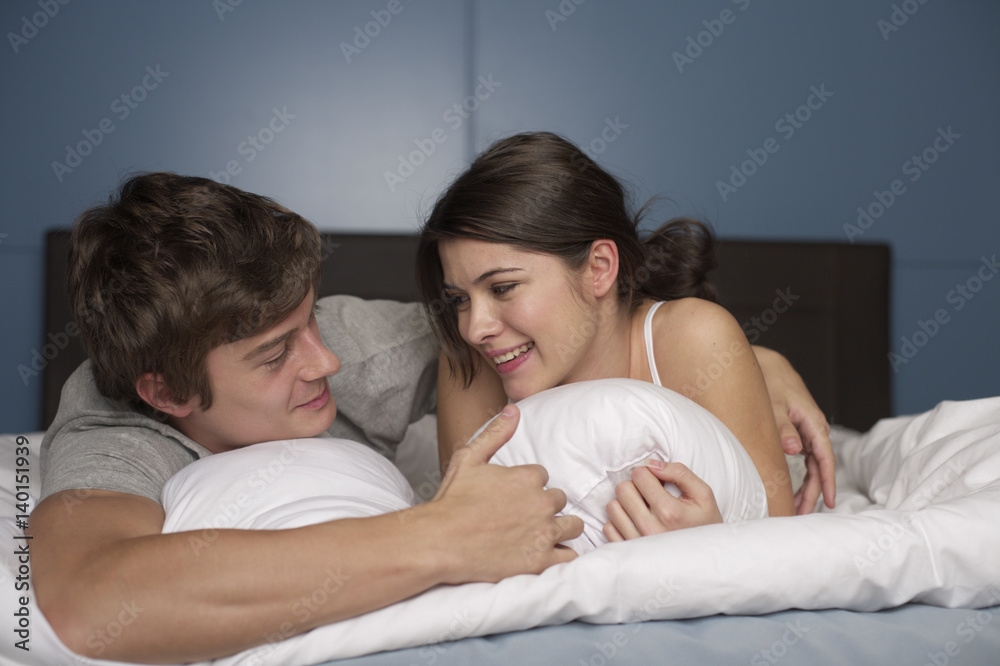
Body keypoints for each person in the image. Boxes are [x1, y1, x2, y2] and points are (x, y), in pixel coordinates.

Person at [28, 172, 583, 663]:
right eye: (274, 355)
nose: (327, 361)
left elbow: (573, 329)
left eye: (310, 317)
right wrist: (443, 536)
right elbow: (93, 600)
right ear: (169, 393)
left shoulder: (359, 344)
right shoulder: (113, 429)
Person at [415, 131, 836, 537]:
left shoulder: (695, 338)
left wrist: (714, 542)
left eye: (502, 288)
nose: (474, 329)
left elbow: (780, 540)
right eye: (459, 300)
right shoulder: (468, 360)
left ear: (599, 267)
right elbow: (464, 532)